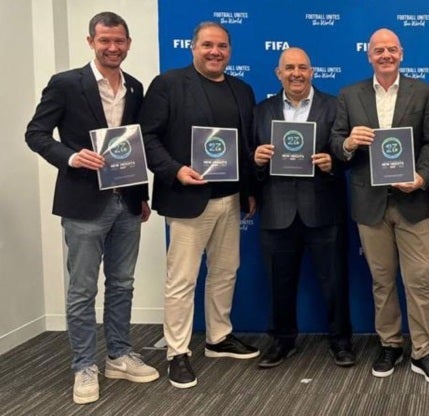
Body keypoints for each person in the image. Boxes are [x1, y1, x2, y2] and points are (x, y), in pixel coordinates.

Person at [24, 11, 158, 404]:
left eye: (119, 41)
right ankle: (84, 365)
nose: (113, 48)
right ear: (91, 42)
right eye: (105, 41)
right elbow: (35, 133)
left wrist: (142, 195)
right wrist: (70, 157)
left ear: (128, 43)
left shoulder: (135, 87)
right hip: (83, 201)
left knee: (122, 283)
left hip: (126, 201)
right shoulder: (66, 83)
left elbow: (134, 145)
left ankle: (118, 355)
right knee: (82, 289)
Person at [140, 21, 259, 389]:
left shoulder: (242, 90)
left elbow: (245, 146)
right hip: (187, 197)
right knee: (182, 279)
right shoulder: (169, 84)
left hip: (229, 198)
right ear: (193, 47)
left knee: (225, 271)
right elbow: (147, 137)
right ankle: (177, 351)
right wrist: (175, 170)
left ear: (229, 51)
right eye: (207, 45)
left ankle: (218, 338)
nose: (215, 52)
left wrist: (249, 190)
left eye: (222, 46)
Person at [330, 28, 429, 385]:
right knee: (382, 281)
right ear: (369, 55)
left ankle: (423, 350)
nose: (385, 55)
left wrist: (421, 177)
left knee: (420, 280)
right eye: (378, 50)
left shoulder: (423, 92)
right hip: (370, 204)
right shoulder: (349, 95)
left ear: (401, 53)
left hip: (413, 201)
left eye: (391, 49)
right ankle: (390, 344)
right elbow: (336, 143)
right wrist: (349, 142)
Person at [251, 47, 354, 369]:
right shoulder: (261, 110)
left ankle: (341, 341)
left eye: (302, 68)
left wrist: (333, 163)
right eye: (289, 68)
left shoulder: (335, 106)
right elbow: (247, 159)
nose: (296, 73)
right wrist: (256, 161)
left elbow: (348, 154)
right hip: (276, 210)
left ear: (312, 72)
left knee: (334, 281)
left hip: (323, 209)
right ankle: (282, 341)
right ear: (278, 73)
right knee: (278, 283)